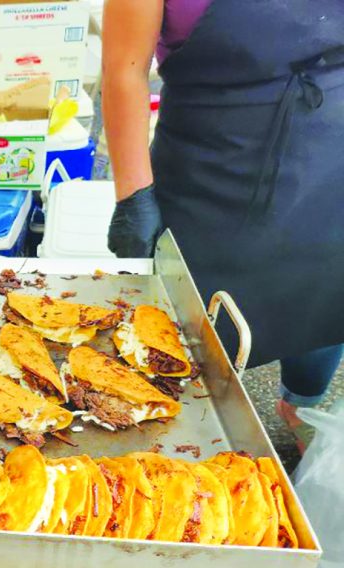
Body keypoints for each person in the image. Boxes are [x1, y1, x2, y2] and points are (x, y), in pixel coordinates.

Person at [102, 0, 344, 450]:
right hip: (210, 169)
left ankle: (301, 404)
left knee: (325, 295)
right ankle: (161, 436)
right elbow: (124, 69)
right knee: (187, 339)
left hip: (331, 156)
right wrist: (134, 195)